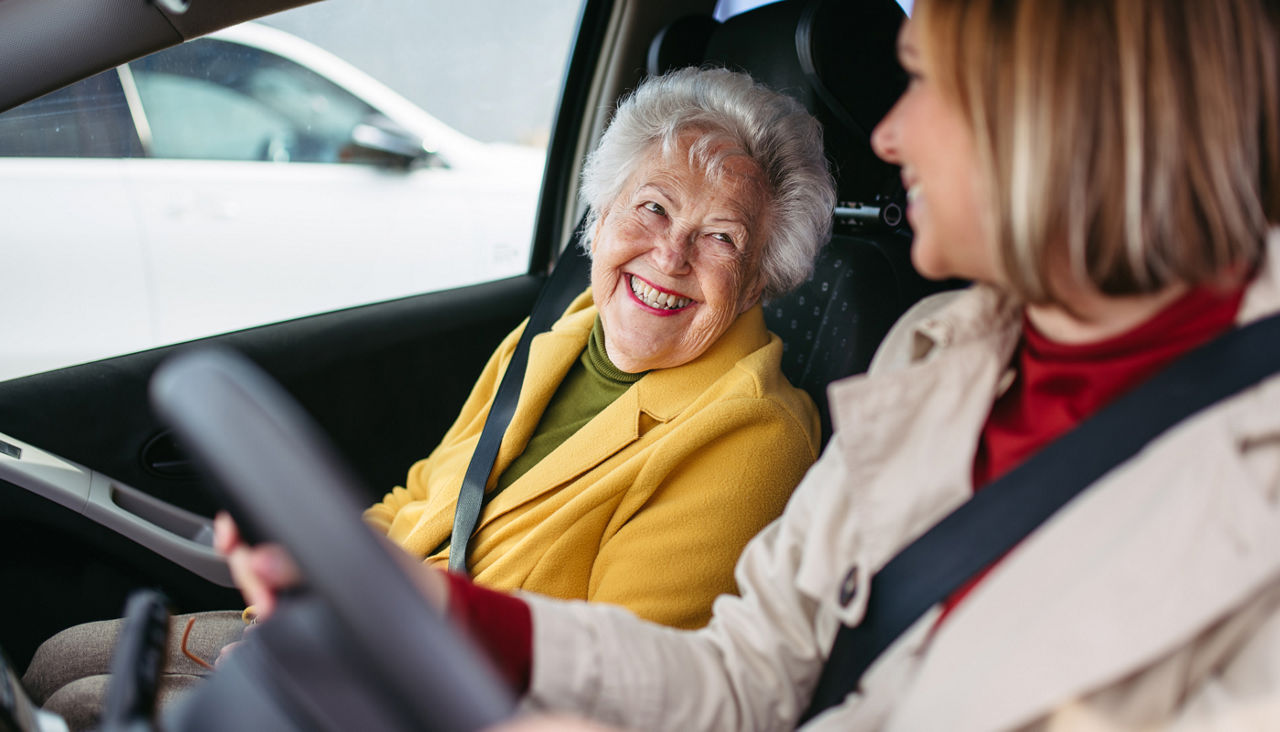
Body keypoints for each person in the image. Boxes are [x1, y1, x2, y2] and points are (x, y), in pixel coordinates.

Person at [225, 0, 1280, 728]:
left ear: (1054, 124)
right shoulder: (938, 359)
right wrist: (439, 613)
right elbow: (743, 681)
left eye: (919, 86)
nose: (892, 134)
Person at [22, 66, 836, 730]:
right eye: (652, 207)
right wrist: (313, 598)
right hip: (377, 623)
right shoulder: (556, 338)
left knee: (86, 710)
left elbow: (623, 684)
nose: (669, 254)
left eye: (720, 237)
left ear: (764, 274)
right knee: (59, 658)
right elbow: (424, 495)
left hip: (466, 698)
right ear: (604, 210)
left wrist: (347, 663)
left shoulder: (751, 434)